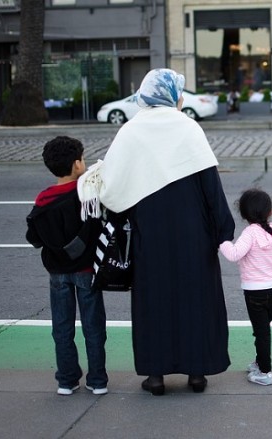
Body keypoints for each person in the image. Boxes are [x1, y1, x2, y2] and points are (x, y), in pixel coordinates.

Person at [78, 68, 235, 396]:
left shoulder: (131, 131)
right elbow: (211, 186)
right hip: (194, 234)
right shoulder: (188, 128)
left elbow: (114, 188)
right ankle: (197, 373)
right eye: (179, 92)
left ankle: (155, 376)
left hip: (149, 234)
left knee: (153, 303)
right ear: (172, 95)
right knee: (197, 301)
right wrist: (223, 230)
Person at [25, 136, 108, 396]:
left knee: (62, 327)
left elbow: (34, 238)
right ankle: (97, 381)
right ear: (76, 165)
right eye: (82, 159)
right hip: (86, 271)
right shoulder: (86, 195)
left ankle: (66, 380)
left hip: (57, 273)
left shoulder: (43, 200)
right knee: (94, 327)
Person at [219, 189, 272, 386]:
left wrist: (221, 240)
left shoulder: (250, 233)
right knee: (263, 330)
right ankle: (259, 362)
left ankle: (265, 372)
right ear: (270, 211)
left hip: (255, 292)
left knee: (262, 332)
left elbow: (233, 254)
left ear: (244, 214)